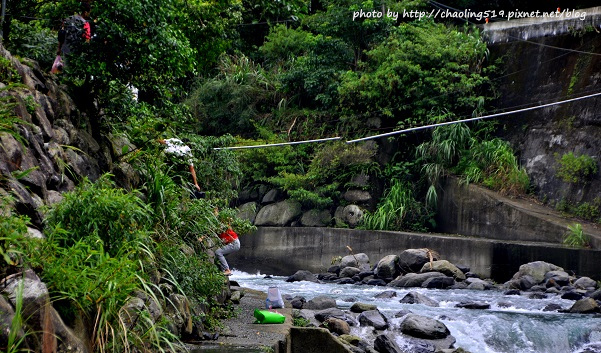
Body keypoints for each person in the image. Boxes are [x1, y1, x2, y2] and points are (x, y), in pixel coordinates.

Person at [213, 208, 240, 276]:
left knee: (218, 252)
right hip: (234, 243)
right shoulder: (219, 229)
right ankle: (223, 270)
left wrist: (216, 211)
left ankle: (227, 270)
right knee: (219, 253)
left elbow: (219, 219)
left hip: (234, 243)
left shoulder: (223, 226)